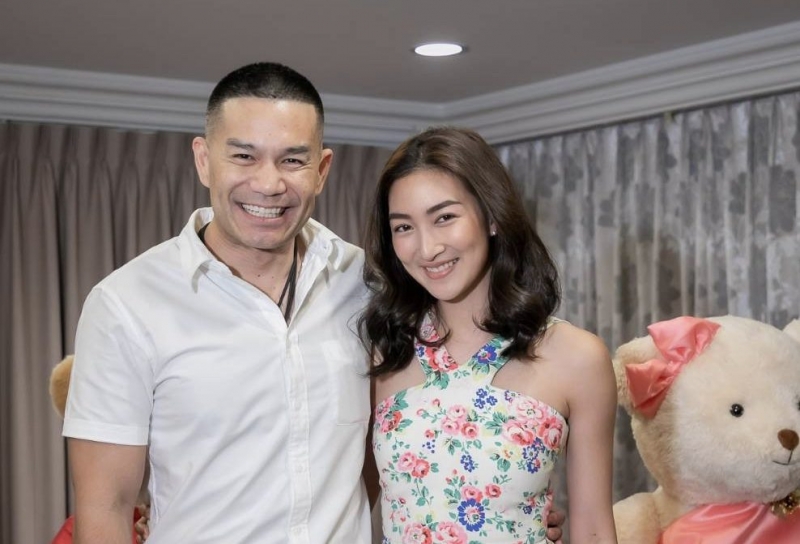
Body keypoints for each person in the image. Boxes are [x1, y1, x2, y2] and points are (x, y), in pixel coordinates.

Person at [63, 62, 566, 543]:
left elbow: (434, 417)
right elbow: (105, 508)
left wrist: (503, 514)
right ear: (203, 160)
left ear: (321, 169)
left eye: (292, 160)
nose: (268, 183)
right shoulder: (126, 305)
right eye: (244, 156)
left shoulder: (370, 285)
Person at [359, 127, 618, 543]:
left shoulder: (576, 357)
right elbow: (349, 506)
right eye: (403, 227)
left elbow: (594, 530)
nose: (427, 248)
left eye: (445, 217)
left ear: (492, 216)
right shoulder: (383, 353)